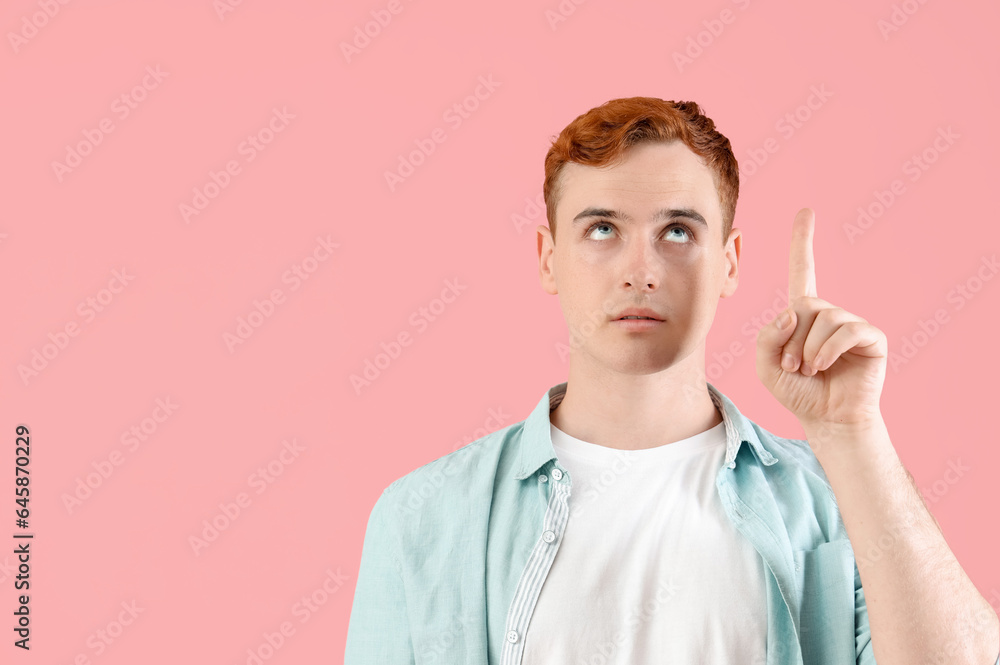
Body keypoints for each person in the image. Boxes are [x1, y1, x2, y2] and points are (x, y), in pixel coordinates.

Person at [344, 97, 1000, 664]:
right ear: (549, 259)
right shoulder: (423, 515)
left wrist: (853, 433)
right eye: (602, 229)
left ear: (730, 261)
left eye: (678, 230)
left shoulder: (834, 500)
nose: (642, 270)